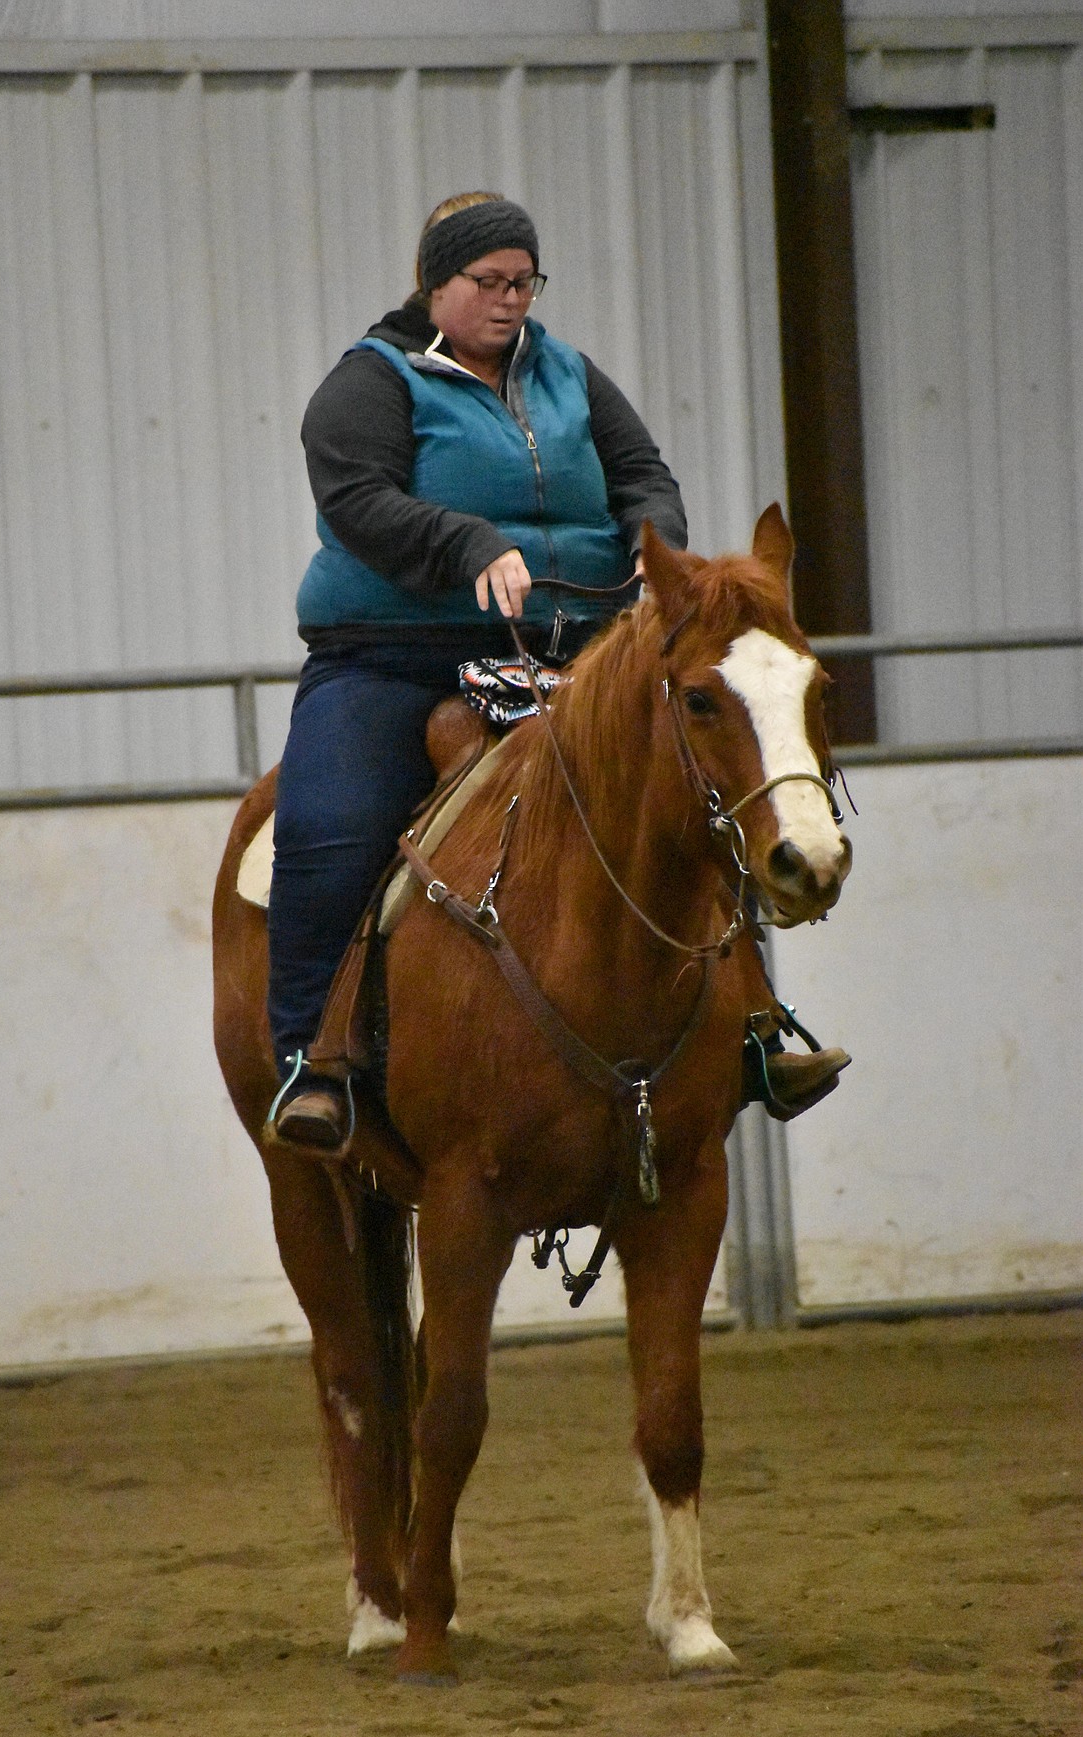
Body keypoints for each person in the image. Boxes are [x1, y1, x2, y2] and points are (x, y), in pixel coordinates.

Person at [267, 192, 847, 1151]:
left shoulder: (570, 374)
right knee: (330, 826)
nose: (509, 300)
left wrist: (648, 545)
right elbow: (359, 501)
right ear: (435, 285)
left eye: (523, 281)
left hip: (570, 644)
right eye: (487, 282)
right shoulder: (368, 385)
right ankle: (312, 1061)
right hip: (395, 652)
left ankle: (750, 1033)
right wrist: (467, 545)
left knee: (699, 793)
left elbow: (643, 473)